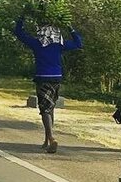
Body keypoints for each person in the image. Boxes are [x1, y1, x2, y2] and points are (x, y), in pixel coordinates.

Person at [14, 17, 83, 153]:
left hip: (42, 78)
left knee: (44, 109)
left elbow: (19, 33)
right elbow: (78, 43)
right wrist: (70, 28)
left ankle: (51, 138)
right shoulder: (59, 44)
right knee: (50, 107)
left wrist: (22, 18)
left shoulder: (37, 43)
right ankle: (46, 140)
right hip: (57, 78)